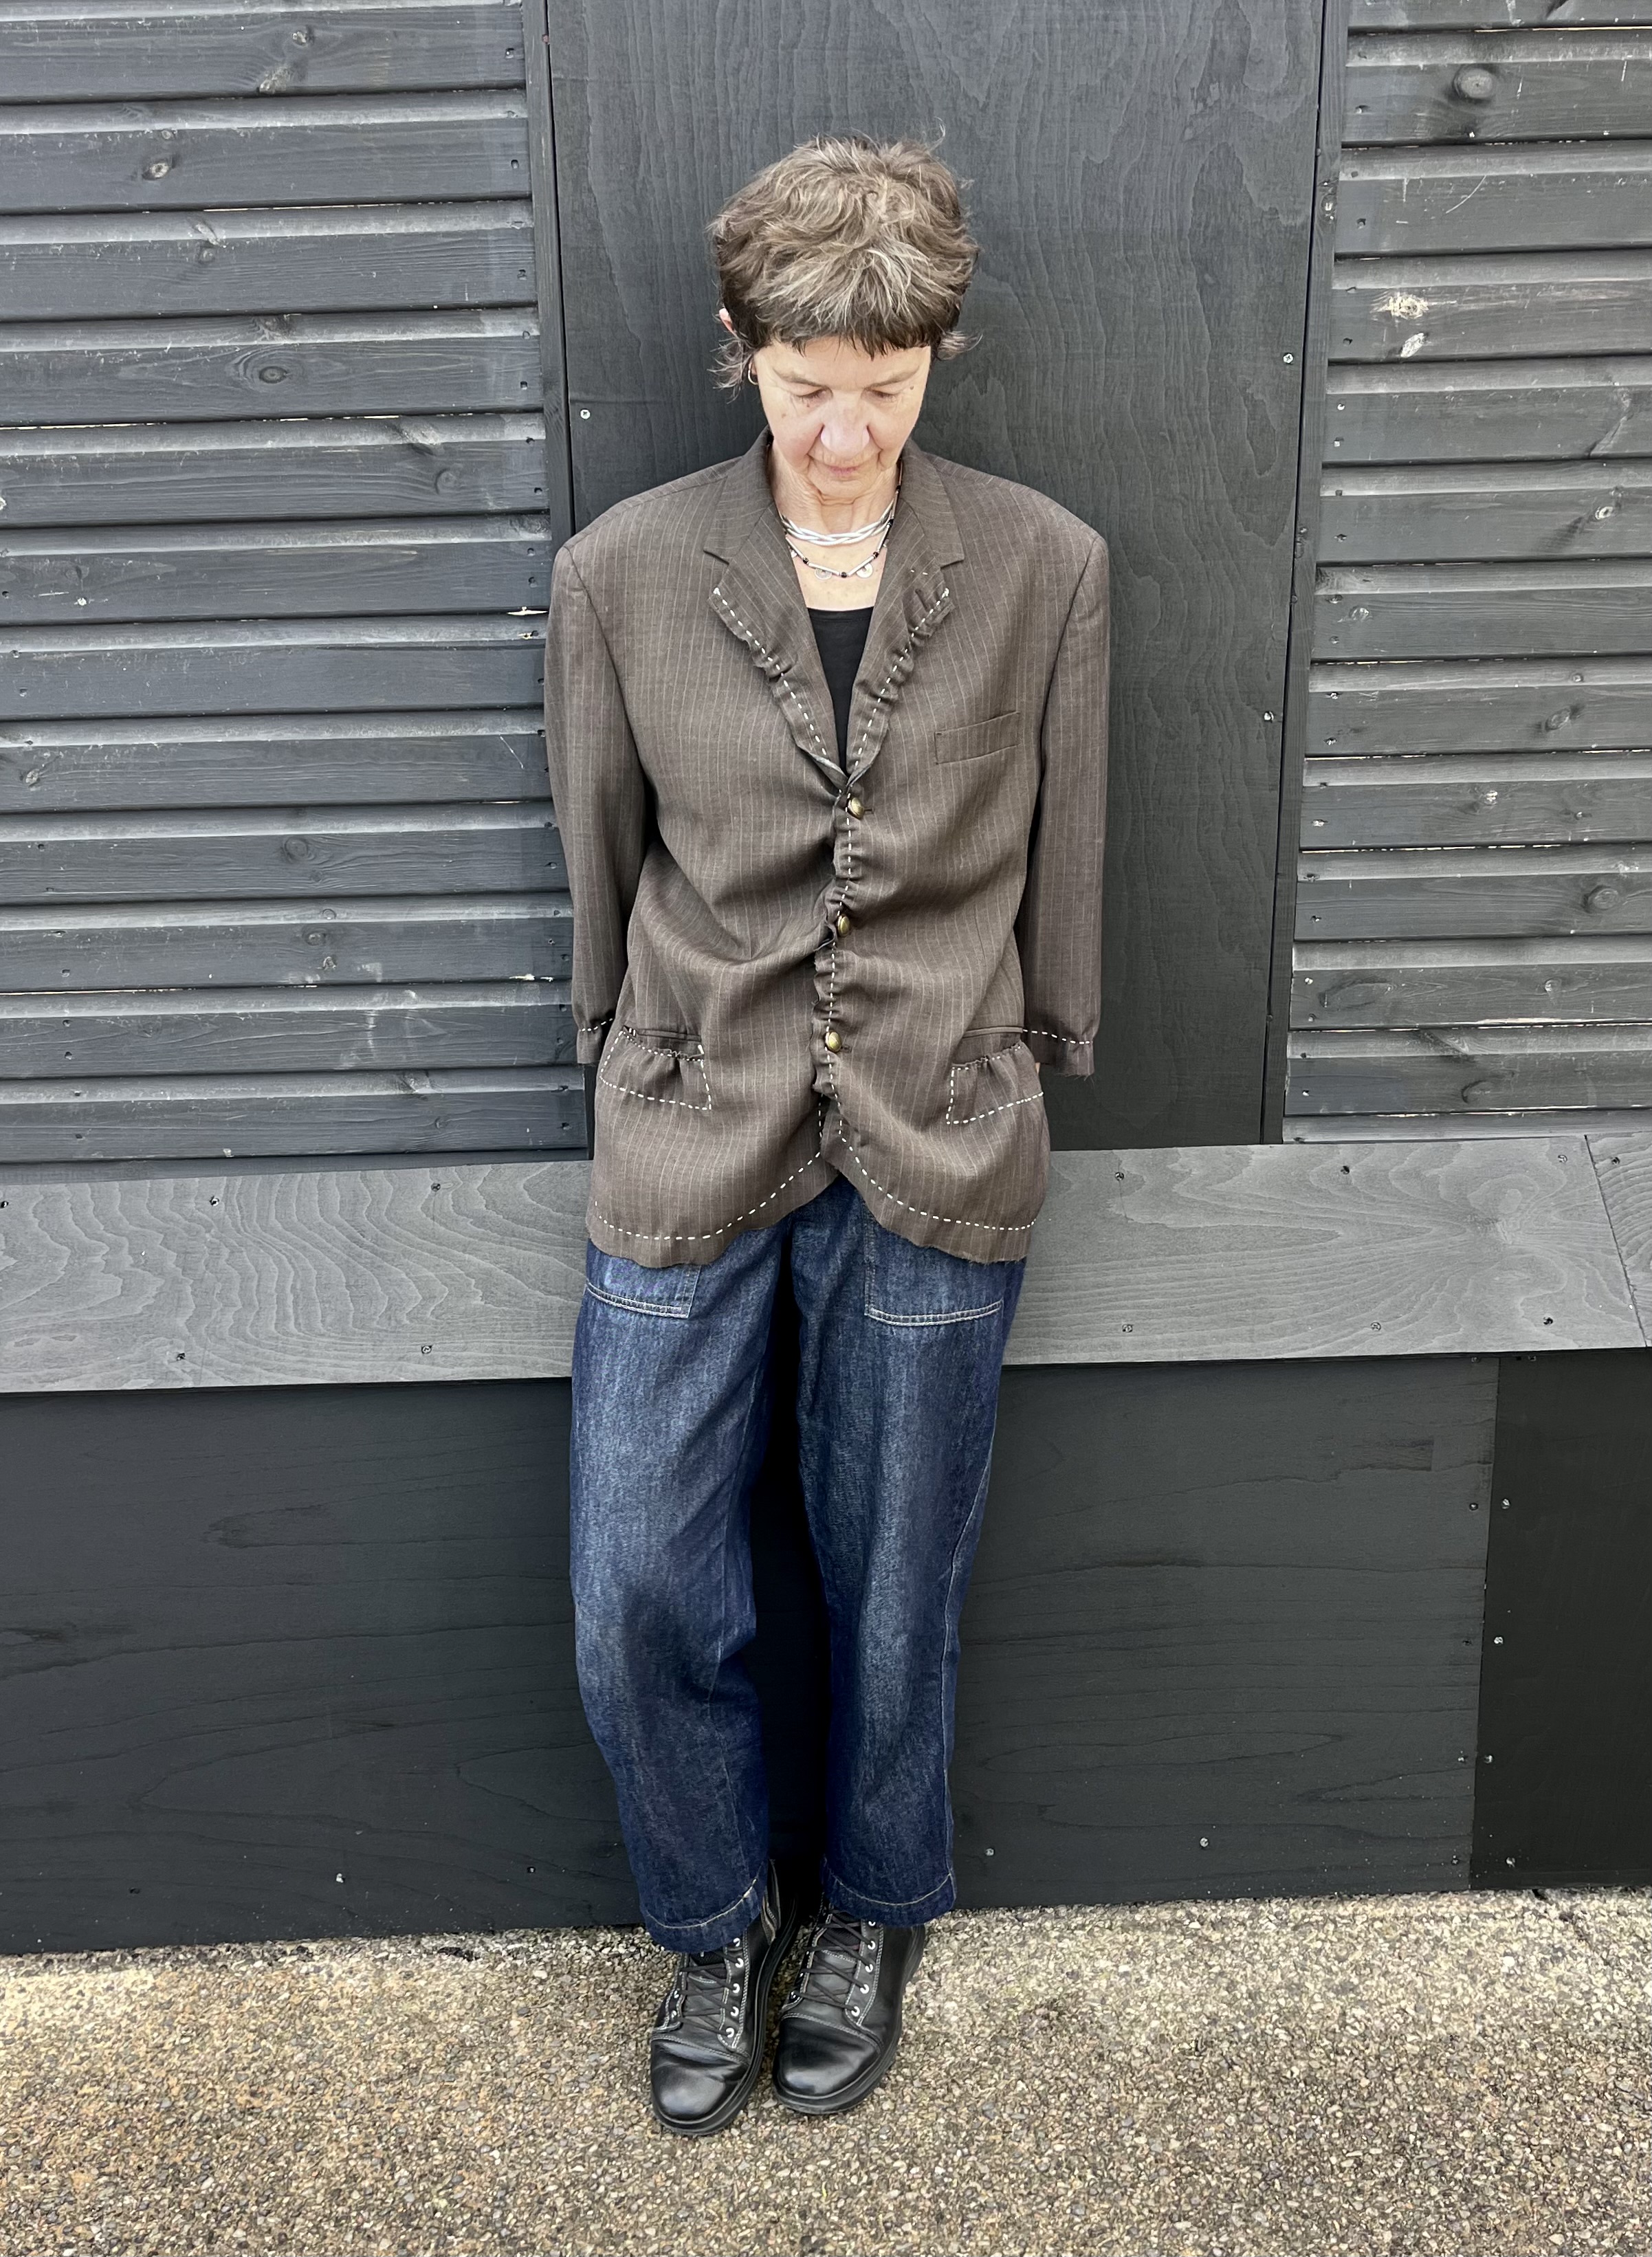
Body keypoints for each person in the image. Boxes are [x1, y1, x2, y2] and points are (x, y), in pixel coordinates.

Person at [544, 133, 1109, 2136]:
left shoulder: (1045, 566)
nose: (848, 433)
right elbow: (602, 868)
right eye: (807, 387)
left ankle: (871, 1909)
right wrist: (629, 1063)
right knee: (637, 1582)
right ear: (742, 347)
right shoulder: (620, 573)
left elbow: (1065, 862)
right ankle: (710, 1922)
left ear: (937, 354)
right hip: (688, 1129)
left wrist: (1026, 1055)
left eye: (889, 384)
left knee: (896, 1586)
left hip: (938, 1131)